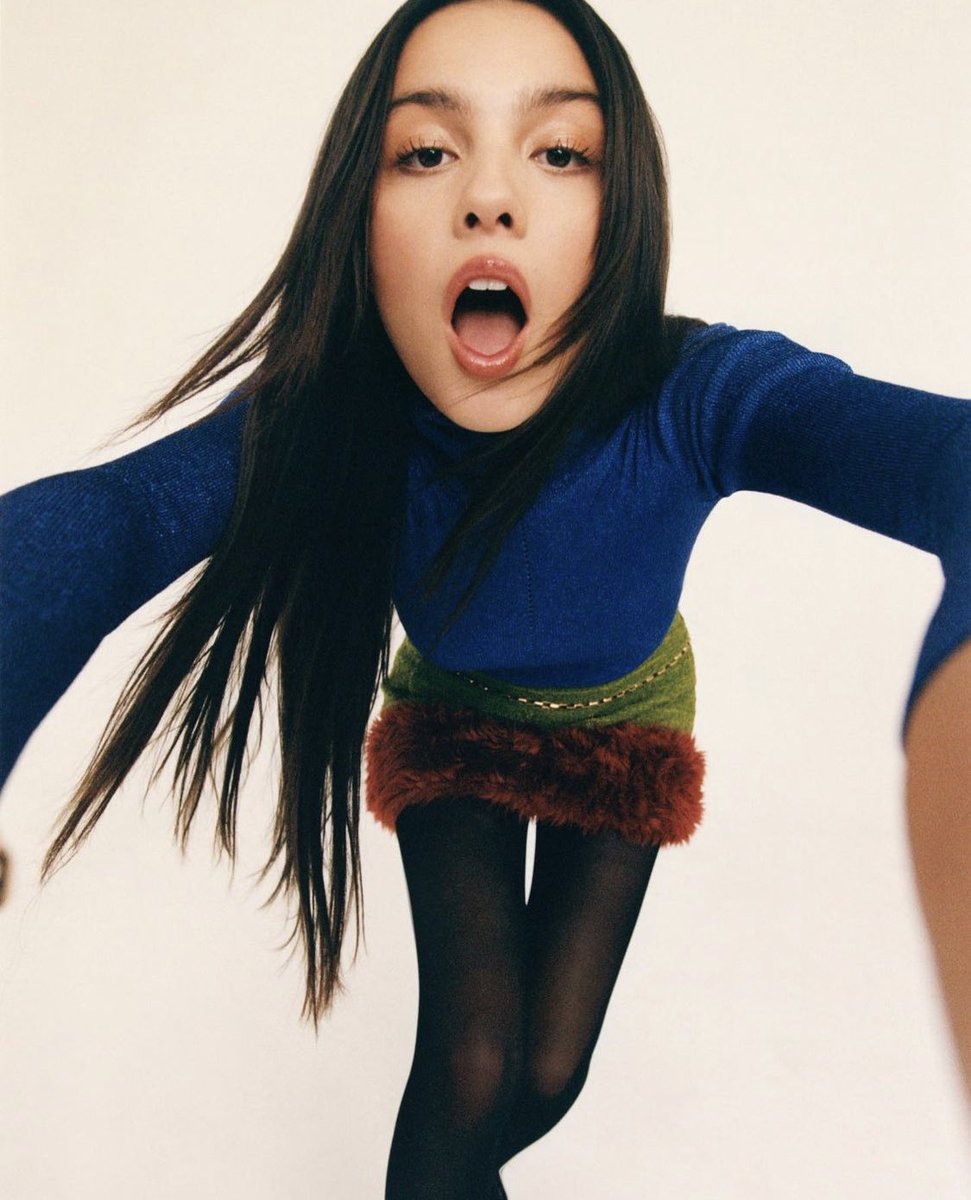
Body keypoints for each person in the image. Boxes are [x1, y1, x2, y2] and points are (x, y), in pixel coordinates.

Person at [1, 0, 968, 1196]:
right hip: (453, 721)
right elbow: (111, 524)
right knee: (469, 1067)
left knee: (543, 1078)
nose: (490, 198)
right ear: (358, 219)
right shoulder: (330, 416)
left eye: (558, 151)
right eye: (424, 152)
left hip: (626, 726)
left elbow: (938, 462)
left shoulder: (695, 390)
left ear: (621, 211)